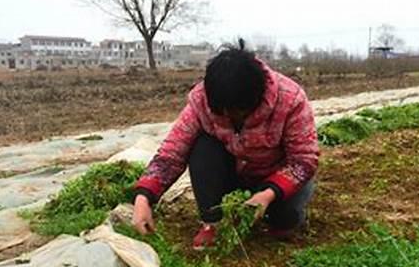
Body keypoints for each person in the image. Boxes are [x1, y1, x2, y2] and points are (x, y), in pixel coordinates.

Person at [132, 39, 319, 250]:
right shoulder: (201, 101)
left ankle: (278, 214)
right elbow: (172, 152)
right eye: (223, 112)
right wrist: (143, 197)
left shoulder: (290, 100)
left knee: (284, 221)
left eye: (238, 111)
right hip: (234, 176)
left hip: (276, 180)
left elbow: (304, 161)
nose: (230, 117)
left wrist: (267, 194)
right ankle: (213, 223)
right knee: (202, 146)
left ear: (256, 98)